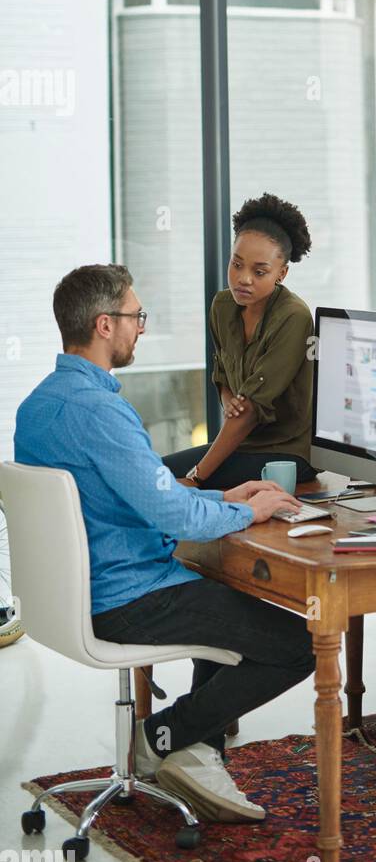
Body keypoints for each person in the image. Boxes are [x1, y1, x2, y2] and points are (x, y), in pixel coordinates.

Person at [14, 264, 314, 824]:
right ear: (105, 325)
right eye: (135, 316)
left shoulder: (37, 405)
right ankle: (162, 737)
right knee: (299, 643)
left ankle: (197, 752)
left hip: (74, 598)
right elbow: (173, 515)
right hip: (129, 600)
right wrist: (251, 509)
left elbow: (130, 492)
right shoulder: (102, 412)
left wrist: (225, 496)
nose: (142, 328)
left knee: (221, 593)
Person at [164, 193, 315, 489]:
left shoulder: (294, 317)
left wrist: (196, 477)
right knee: (154, 473)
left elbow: (248, 414)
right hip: (241, 443)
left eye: (259, 272)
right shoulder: (222, 306)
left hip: (287, 453)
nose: (243, 279)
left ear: (281, 273)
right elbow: (223, 377)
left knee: (167, 484)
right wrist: (228, 400)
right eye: (237, 264)